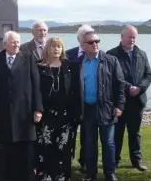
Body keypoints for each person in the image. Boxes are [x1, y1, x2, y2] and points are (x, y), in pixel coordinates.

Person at [0, 30, 43, 180]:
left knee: (26, 151)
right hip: (4, 113)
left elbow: (36, 84)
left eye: (18, 41)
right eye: (13, 42)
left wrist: (38, 109)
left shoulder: (28, 58)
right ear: (5, 44)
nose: (16, 44)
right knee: (8, 150)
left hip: (25, 112)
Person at [79, 31, 125, 181]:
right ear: (83, 45)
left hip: (107, 108)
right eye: (91, 42)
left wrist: (119, 106)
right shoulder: (79, 63)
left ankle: (110, 173)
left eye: (97, 41)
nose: (95, 44)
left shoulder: (111, 61)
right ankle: (91, 174)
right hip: (87, 109)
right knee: (90, 144)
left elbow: (120, 85)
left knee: (108, 143)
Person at [36, 37, 82, 181]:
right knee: (47, 147)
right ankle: (47, 176)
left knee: (64, 148)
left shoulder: (70, 66)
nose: (56, 49)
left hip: (66, 116)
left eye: (59, 47)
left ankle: (63, 176)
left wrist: (77, 113)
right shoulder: (39, 67)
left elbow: (77, 91)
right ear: (47, 49)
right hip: (46, 116)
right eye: (53, 46)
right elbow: (35, 91)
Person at [107, 25, 151, 172]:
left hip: (137, 101)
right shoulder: (111, 54)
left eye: (134, 37)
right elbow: (112, 77)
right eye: (130, 37)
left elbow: (148, 75)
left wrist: (140, 88)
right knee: (117, 133)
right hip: (119, 102)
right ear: (122, 36)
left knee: (135, 133)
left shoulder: (142, 54)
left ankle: (136, 161)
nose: (132, 40)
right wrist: (129, 88)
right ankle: (114, 160)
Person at [66, 24, 95, 172]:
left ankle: (84, 162)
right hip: (71, 103)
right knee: (70, 135)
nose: (87, 40)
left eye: (89, 36)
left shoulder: (95, 56)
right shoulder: (67, 54)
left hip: (88, 104)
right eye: (84, 36)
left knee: (87, 136)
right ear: (79, 39)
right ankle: (67, 161)